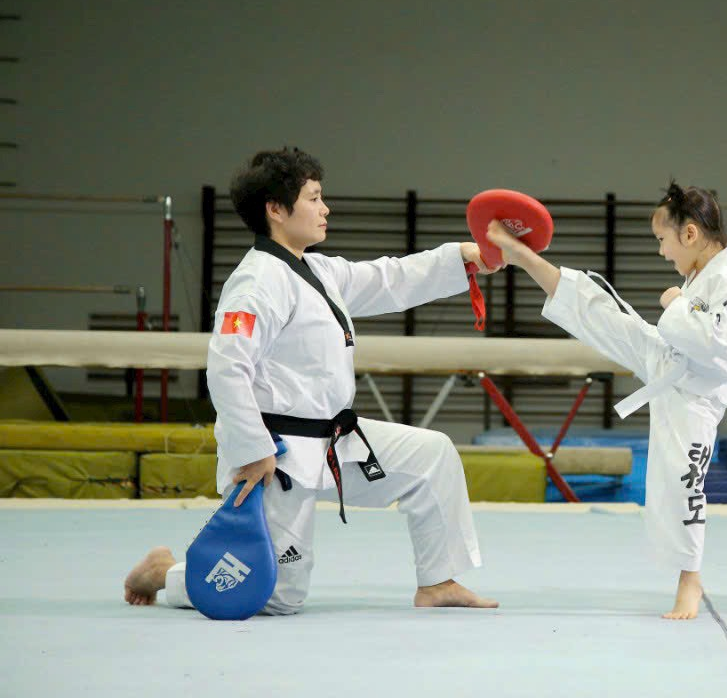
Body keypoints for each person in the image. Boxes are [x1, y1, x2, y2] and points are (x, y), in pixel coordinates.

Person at [124, 147, 499, 614]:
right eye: (314, 198)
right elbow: (226, 368)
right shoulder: (256, 282)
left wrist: (464, 258)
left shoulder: (317, 269)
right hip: (276, 454)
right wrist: (252, 449)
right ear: (276, 210)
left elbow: (390, 278)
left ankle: (438, 581)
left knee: (431, 455)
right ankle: (165, 572)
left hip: (335, 440)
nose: (325, 209)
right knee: (276, 596)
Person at [486, 182, 727, 619]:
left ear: (689, 235)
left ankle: (690, 578)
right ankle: (524, 258)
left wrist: (676, 305)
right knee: (597, 312)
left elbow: (714, 342)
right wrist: (680, 307)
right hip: (667, 364)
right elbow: (687, 331)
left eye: (662, 241)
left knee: (683, 483)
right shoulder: (704, 274)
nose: (661, 253)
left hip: (695, 397)